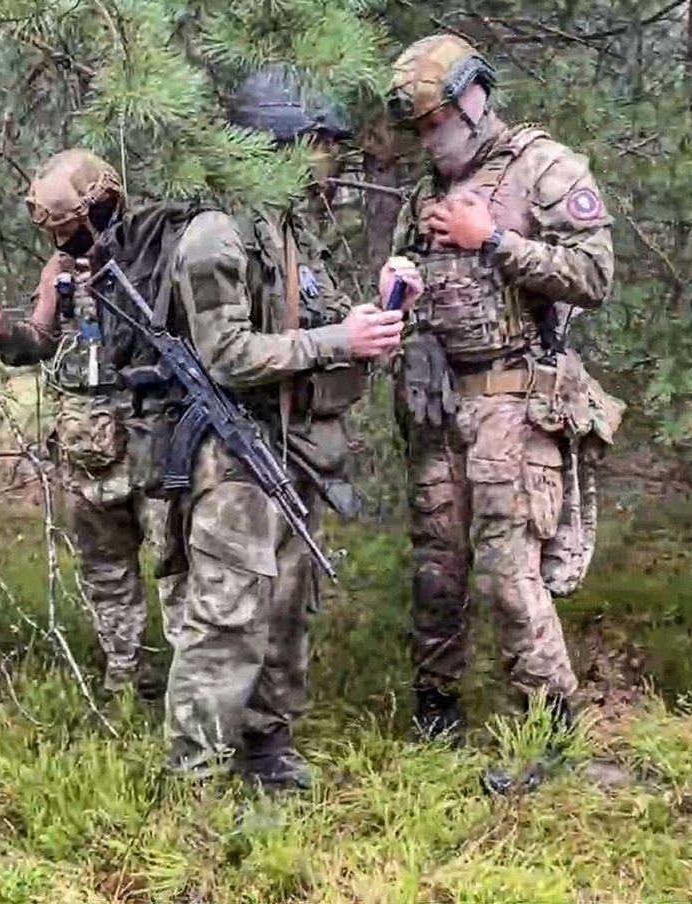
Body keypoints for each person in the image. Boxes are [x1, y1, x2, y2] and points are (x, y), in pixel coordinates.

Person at [380, 34, 623, 782]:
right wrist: (408, 326)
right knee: (436, 566)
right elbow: (410, 284)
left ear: (473, 99)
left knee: (508, 570)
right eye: (419, 128)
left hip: (513, 401)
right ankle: (437, 711)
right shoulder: (425, 191)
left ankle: (551, 731)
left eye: (436, 122)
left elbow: (593, 273)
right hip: (440, 406)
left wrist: (495, 243)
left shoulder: (543, 167)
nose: (430, 139)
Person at [162, 65, 405, 789]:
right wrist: (339, 343)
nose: (330, 165)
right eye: (320, 145)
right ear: (277, 144)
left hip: (293, 449)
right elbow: (228, 354)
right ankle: (195, 779)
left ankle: (267, 750)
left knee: (288, 610)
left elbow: (315, 328)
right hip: (235, 456)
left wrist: (381, 313)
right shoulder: (216, 235)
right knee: (226, 619)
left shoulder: (290, 233)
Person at [0, 149, 178, 696]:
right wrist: (2, 332)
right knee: (106, 567)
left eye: (77, 230)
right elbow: (41, 338)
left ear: (105, 205)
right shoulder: (60, 270)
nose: (68, 245)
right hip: (86, 445)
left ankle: (195, 679)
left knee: (176, 561)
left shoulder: (152, 255)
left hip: (153, 437)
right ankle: (125, 673)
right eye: (60, 235)